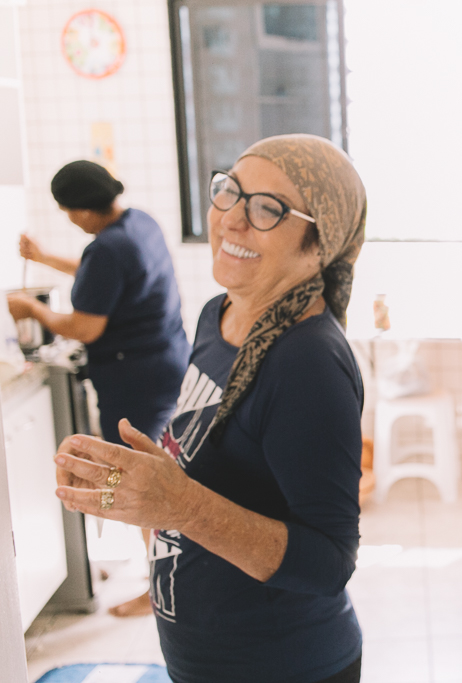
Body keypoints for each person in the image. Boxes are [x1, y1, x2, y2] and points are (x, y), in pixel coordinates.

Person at [52, 134, 367, 683]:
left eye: (268, 209)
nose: (232, 220)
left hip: (283, 669)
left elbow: (329, 564)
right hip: (202, 659)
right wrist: (145, 484)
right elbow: (218, 470)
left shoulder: (308, 361)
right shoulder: (216, 314)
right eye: (230, 191)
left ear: (320, 244)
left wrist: (181, 506)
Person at [7, 161, 191, 618]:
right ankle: (158, 574)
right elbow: (102, 279)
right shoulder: (138, 222)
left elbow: (86, 325)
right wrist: (45, 258)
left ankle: (161, 590)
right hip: (167, 364)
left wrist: (33, 309)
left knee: (141, 482)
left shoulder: (107, 248)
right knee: (158, 472)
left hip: (135, 379)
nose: (69, 219)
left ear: (84, 212)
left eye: (68, 211)